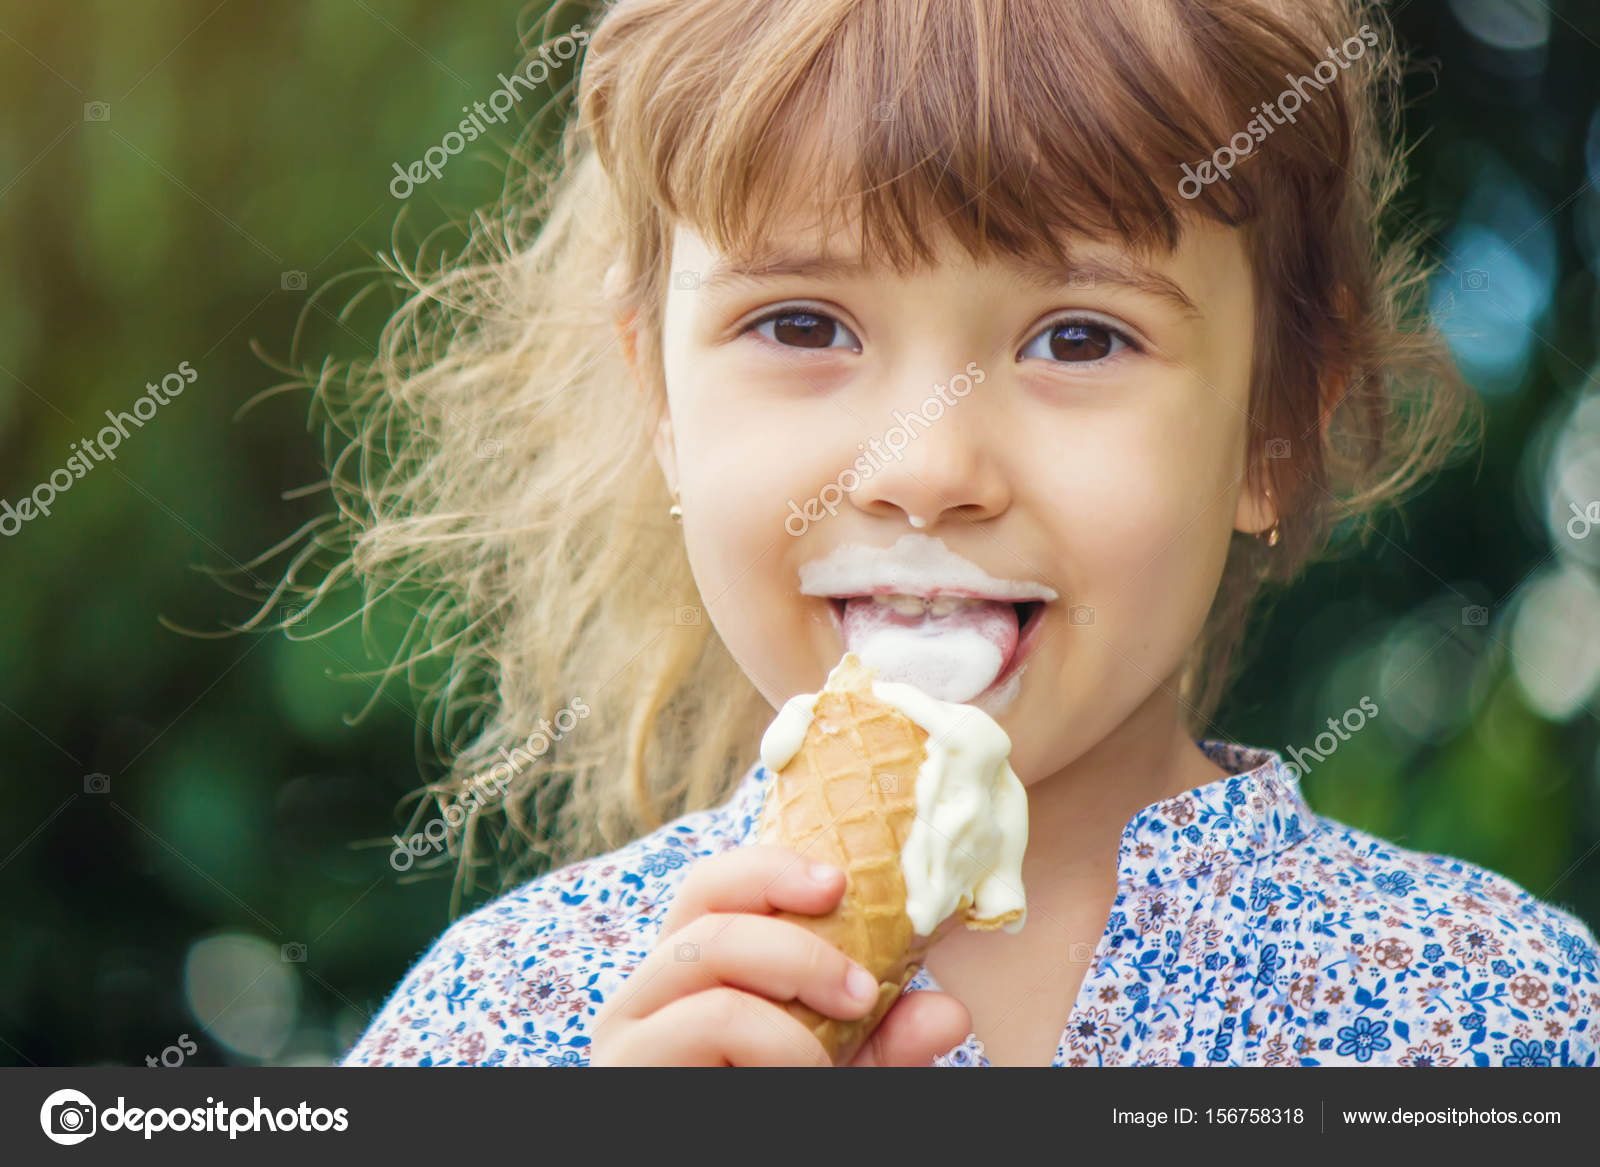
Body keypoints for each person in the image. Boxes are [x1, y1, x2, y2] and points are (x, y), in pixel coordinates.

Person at [327, 0, 1598, 1066]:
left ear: (1275, 427)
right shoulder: (497, 1025)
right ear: (659, 400)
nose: (924, 470)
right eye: (804, 326)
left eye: (1079, 338)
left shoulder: (1496, 1019)